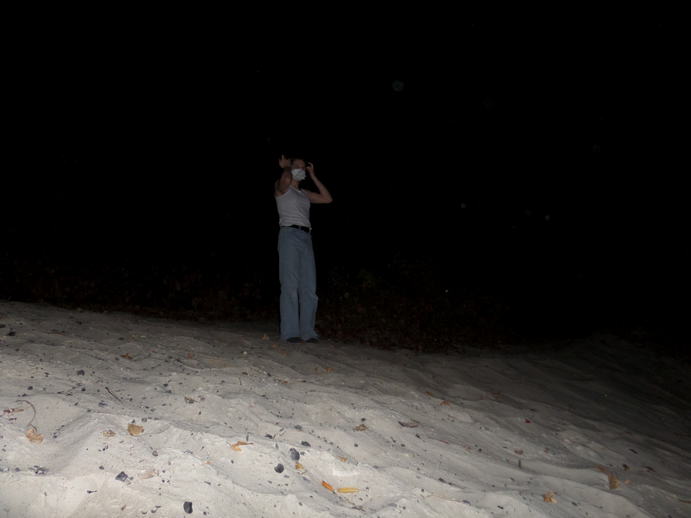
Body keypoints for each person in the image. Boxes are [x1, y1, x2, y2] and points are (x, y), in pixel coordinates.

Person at [274, 154, 333, 343]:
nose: (301, 169)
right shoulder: (282, 189)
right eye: (297, 166)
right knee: (290, 285)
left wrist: (313, 175)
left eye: (302, 167)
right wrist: (285, 168)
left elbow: (327, 199)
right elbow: (284, 180)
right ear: (290, 170)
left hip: (306, 237)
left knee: (309, 287)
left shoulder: (304, 194)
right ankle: (290, 332)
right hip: (289, 235)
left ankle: (308, 332)